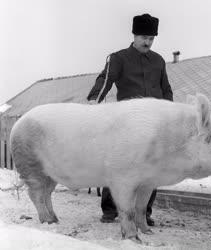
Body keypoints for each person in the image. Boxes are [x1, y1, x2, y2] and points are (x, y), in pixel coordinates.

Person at [87, 13, 173, 226]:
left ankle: (144, 212)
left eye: (151, 38)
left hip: (153, 124)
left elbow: (166, 90)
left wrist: (170, 115)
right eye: (144, 37)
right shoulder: (119, 58)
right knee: (119, 165)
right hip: (127, 122)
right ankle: (110, 210)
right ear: (134, 35)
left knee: (150, 169)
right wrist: (92, 103)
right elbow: (104, 80)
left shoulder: (158, 61)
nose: (147, 42)